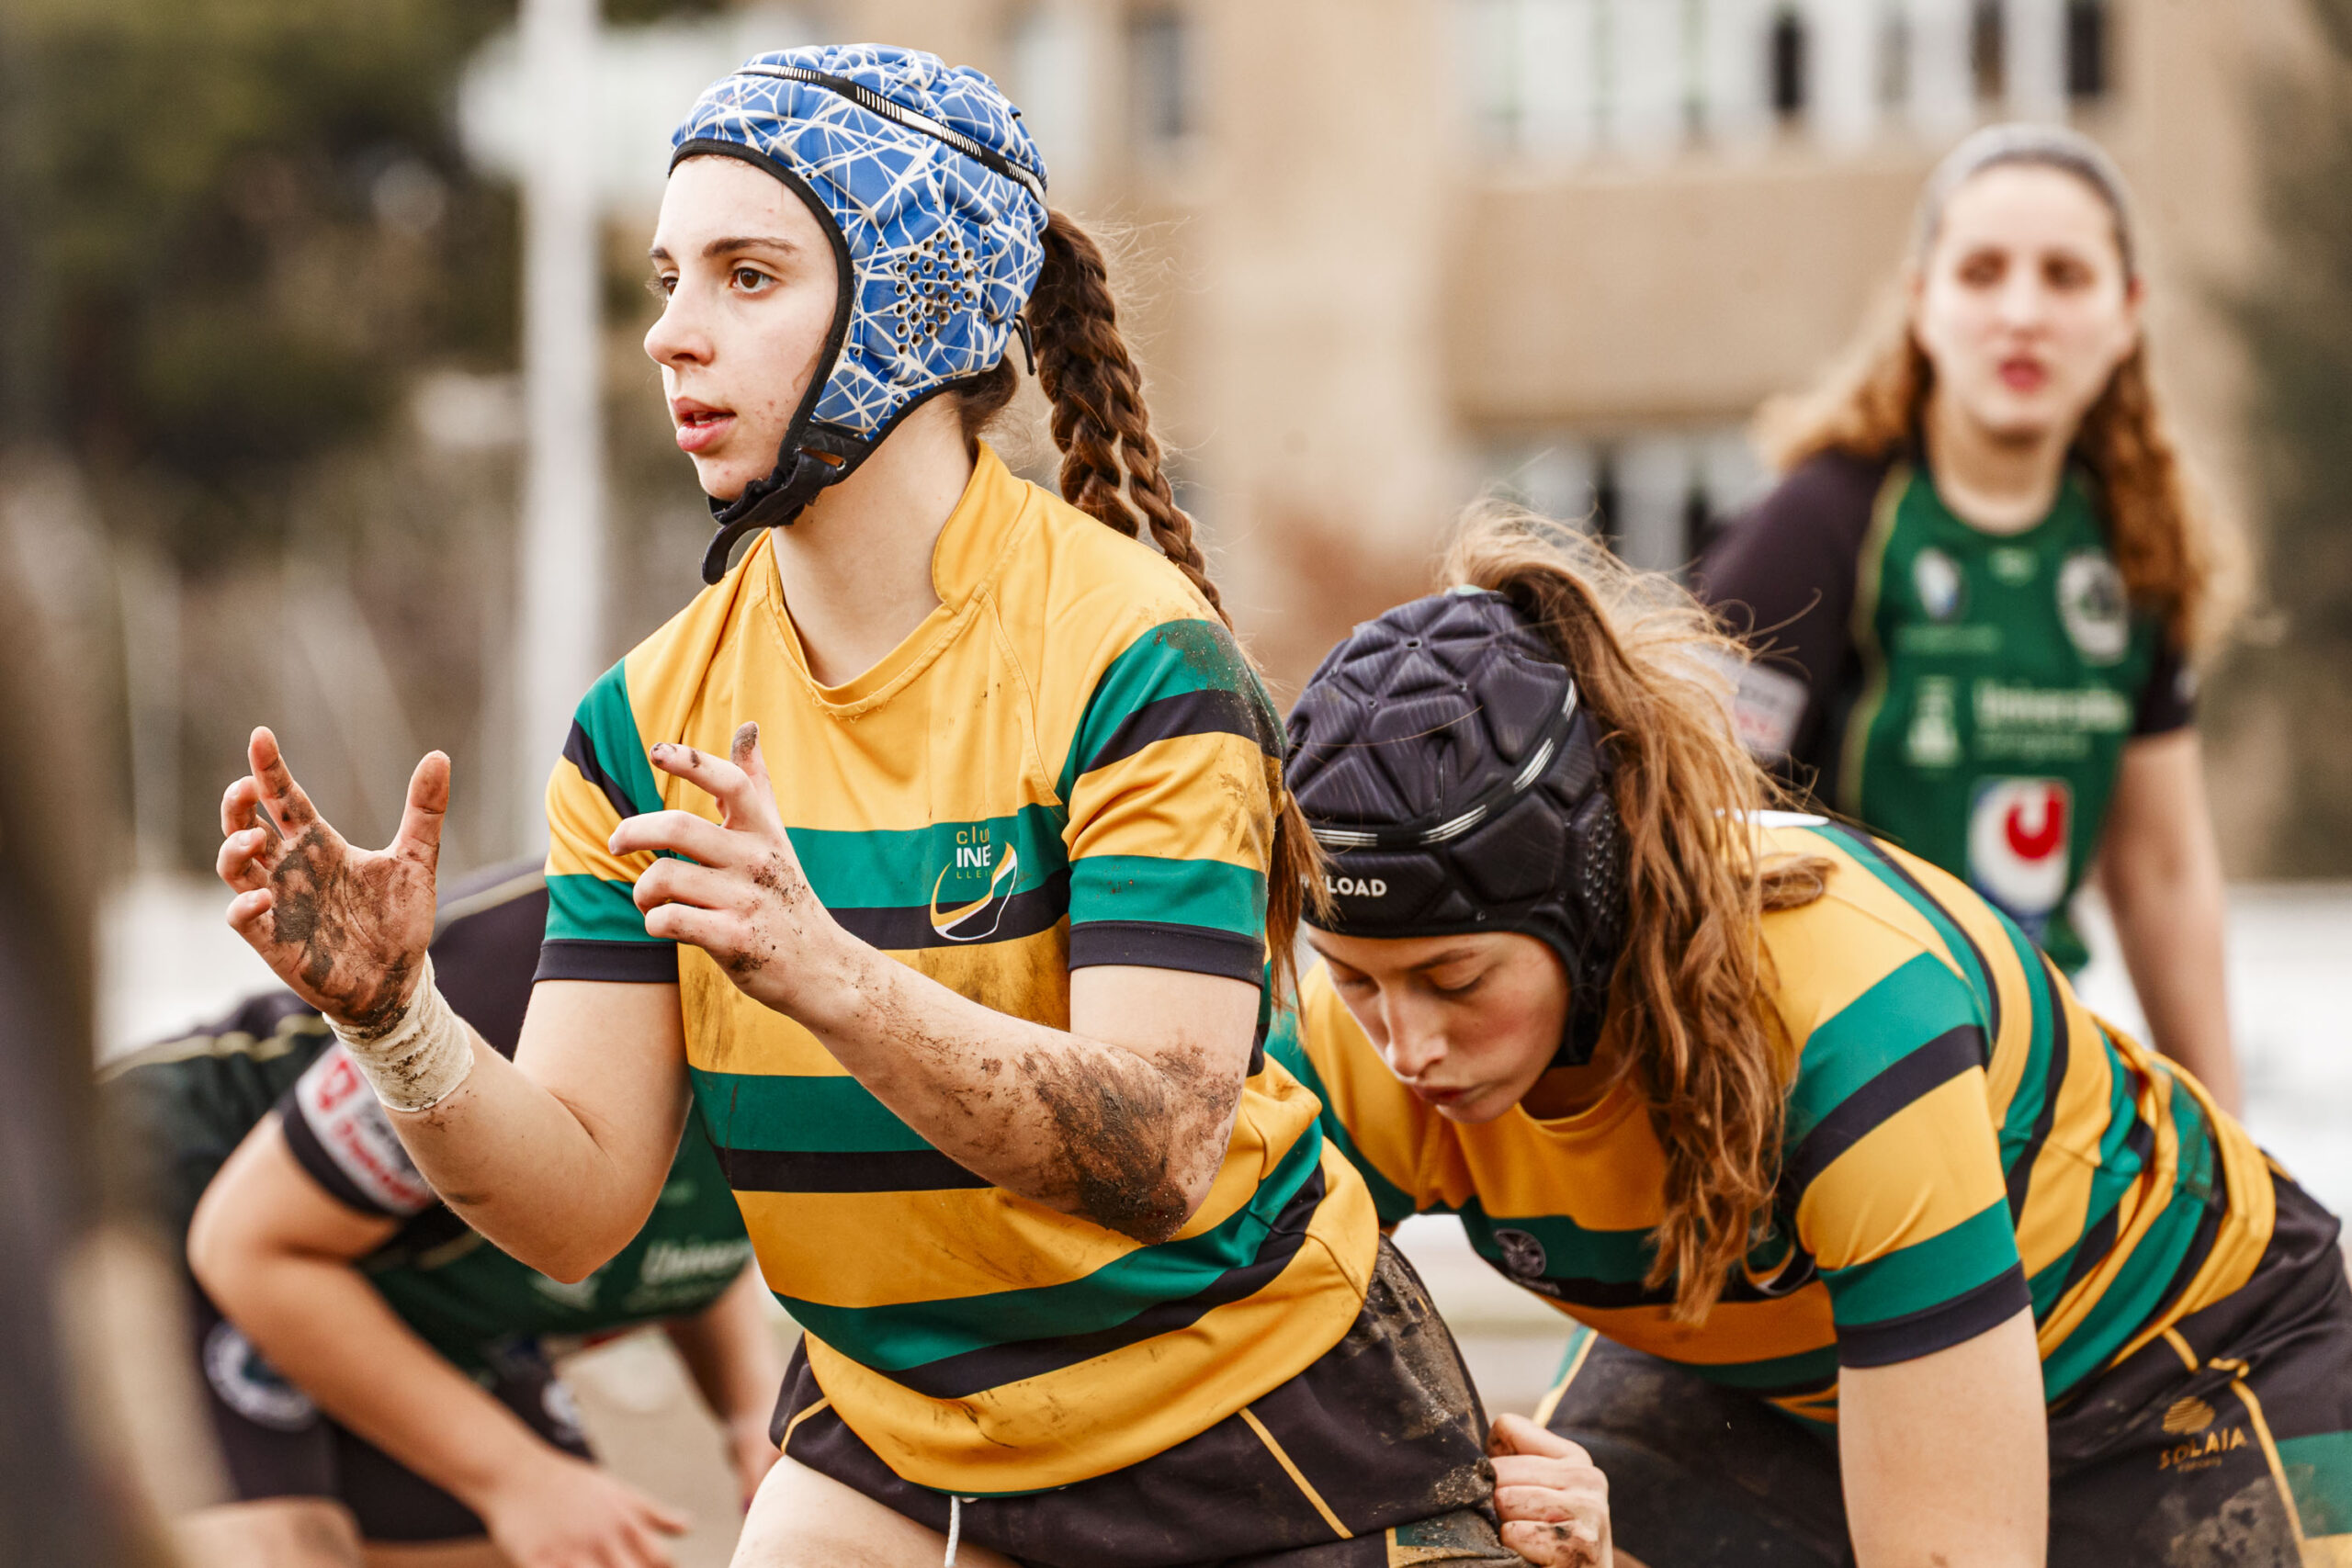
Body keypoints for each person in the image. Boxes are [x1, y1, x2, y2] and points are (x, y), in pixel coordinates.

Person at [212, 45, 1520, 1568]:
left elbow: (1160, 1149)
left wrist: (823, 972)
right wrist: (397, 1018)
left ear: (911, 303)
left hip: (1251, 1427)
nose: (670, 336)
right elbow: (580, 1211)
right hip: (908, 1437)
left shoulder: (1135, 655)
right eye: (666, 278)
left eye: (747, 276)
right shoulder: (640, 727)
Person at [1271, 506, 2352, 1567]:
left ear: (1592, 900)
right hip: (1785, 1383)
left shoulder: (1848, 1018)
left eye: (1454, 979)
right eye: (1358, 980)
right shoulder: (1350, 1044)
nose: (1403, 1046)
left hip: (2189, 1367)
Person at [1698, 124, 2245, 1111]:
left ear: (2126, 314)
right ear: (1921, 304)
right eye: (1982, 273)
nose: (2022, 314)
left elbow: (2161, 871)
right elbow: (1688, 825)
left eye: (2065, 276)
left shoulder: (2131, 552)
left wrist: (2228, 1155)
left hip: (2033, 1073)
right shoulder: (1816, 530)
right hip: (1824, 1080)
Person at [108, 863, 781, 1568]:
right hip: (183, 1202)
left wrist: (750, 1408)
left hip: (400, 1271)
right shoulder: (547, 966)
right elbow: (249, 1245)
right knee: (286, 1548)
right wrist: (516, 1477)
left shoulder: (854, 988)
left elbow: (689, 1206)